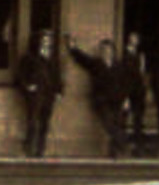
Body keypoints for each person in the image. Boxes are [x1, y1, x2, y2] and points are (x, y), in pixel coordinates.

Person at [66, 34, 129, 158]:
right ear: (101, 52)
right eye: (104, 50)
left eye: (109, 50)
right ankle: (123, 144)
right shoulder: (96, 64)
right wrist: (73, 48)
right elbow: (83, 59)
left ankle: (114, 153)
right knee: (109, 124)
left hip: (117, 100)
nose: (106, 53)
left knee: (117, 124)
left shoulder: (119, 66)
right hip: (102, 101)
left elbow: (125, 83)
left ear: (113, 51)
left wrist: (126, 99)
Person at [15, 29, 62, 157]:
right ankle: (29, 147)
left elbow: (57, 76)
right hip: (36, 95)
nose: (47, 43)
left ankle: (40, 149)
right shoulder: (30, 57)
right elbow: (20, 76)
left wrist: (58, 90)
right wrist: (28, 87)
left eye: (49, 41)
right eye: (44, 40)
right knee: (33, 121)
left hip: (49, 94)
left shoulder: (53, 59)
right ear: (38, 42)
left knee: (45, 122)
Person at [120, 31, 148, 155]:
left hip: (138, 92)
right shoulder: (124, 55)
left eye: (137, 38)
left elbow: (141, 76)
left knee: (138, 120)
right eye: (133, 38)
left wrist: (142, 67)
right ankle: (122, 146)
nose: (135, 41)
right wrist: (124, 96)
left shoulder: (140, 56)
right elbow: (125, 76)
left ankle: (138, 146)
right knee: (123, 120)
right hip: (127, 91)